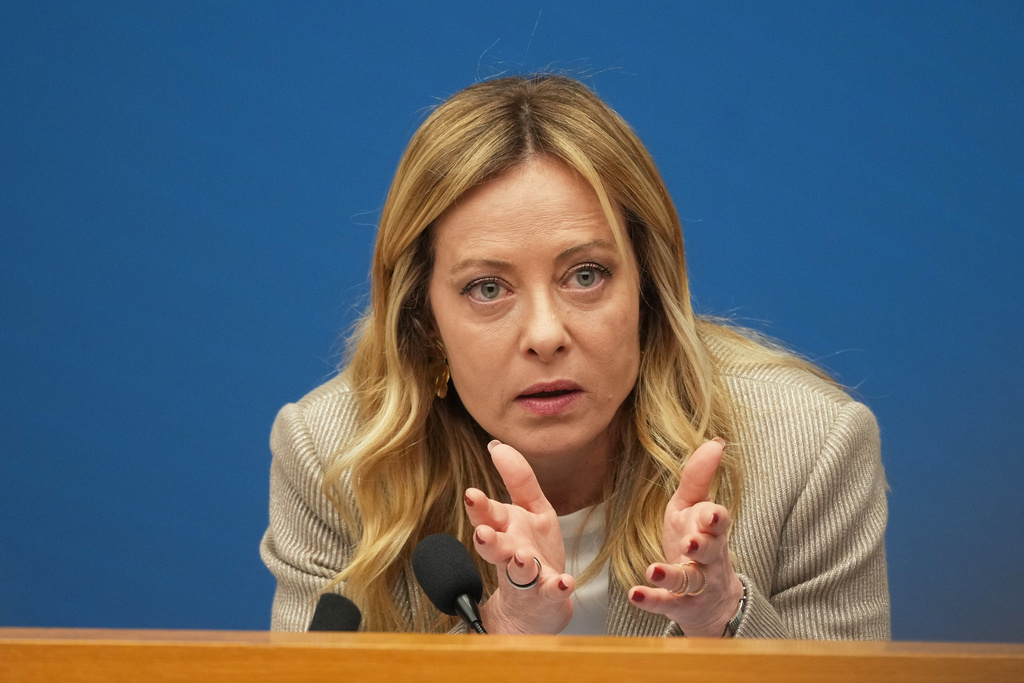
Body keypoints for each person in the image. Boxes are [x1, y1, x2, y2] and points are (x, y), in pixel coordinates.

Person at [259, 74, 889, 639]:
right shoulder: (336, 459)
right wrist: (501, 641)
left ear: (648, 286)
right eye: (487, 288)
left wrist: (725, 618)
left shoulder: (809, 448)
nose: (545, 334)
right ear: (425, 321)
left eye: (585, 275)